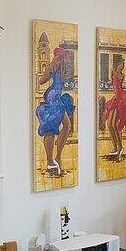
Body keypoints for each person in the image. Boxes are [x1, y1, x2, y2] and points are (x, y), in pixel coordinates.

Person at [36, 47, 75, 177]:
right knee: (51, 129)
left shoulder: (61, 67)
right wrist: (50, 70)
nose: (64, 61)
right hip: (53, 97)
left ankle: (57, 157)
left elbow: (65, 80)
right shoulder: (52, 67)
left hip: (58, 97)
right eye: (62, 59)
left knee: (67, 126)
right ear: (59, 58)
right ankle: (50, 160)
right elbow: (41, 81)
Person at [99, 59, 126, 161]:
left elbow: (118, 79)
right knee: (110, 124)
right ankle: (116, 147)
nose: (122, 68)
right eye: (121, 65)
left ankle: (120, 147)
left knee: (116, 124)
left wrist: (115, 73)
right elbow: (113, 82)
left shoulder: (121, 75)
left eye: (123, 66)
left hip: (121, 97)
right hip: (116, 97)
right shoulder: (113, 71)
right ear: (117, 64)